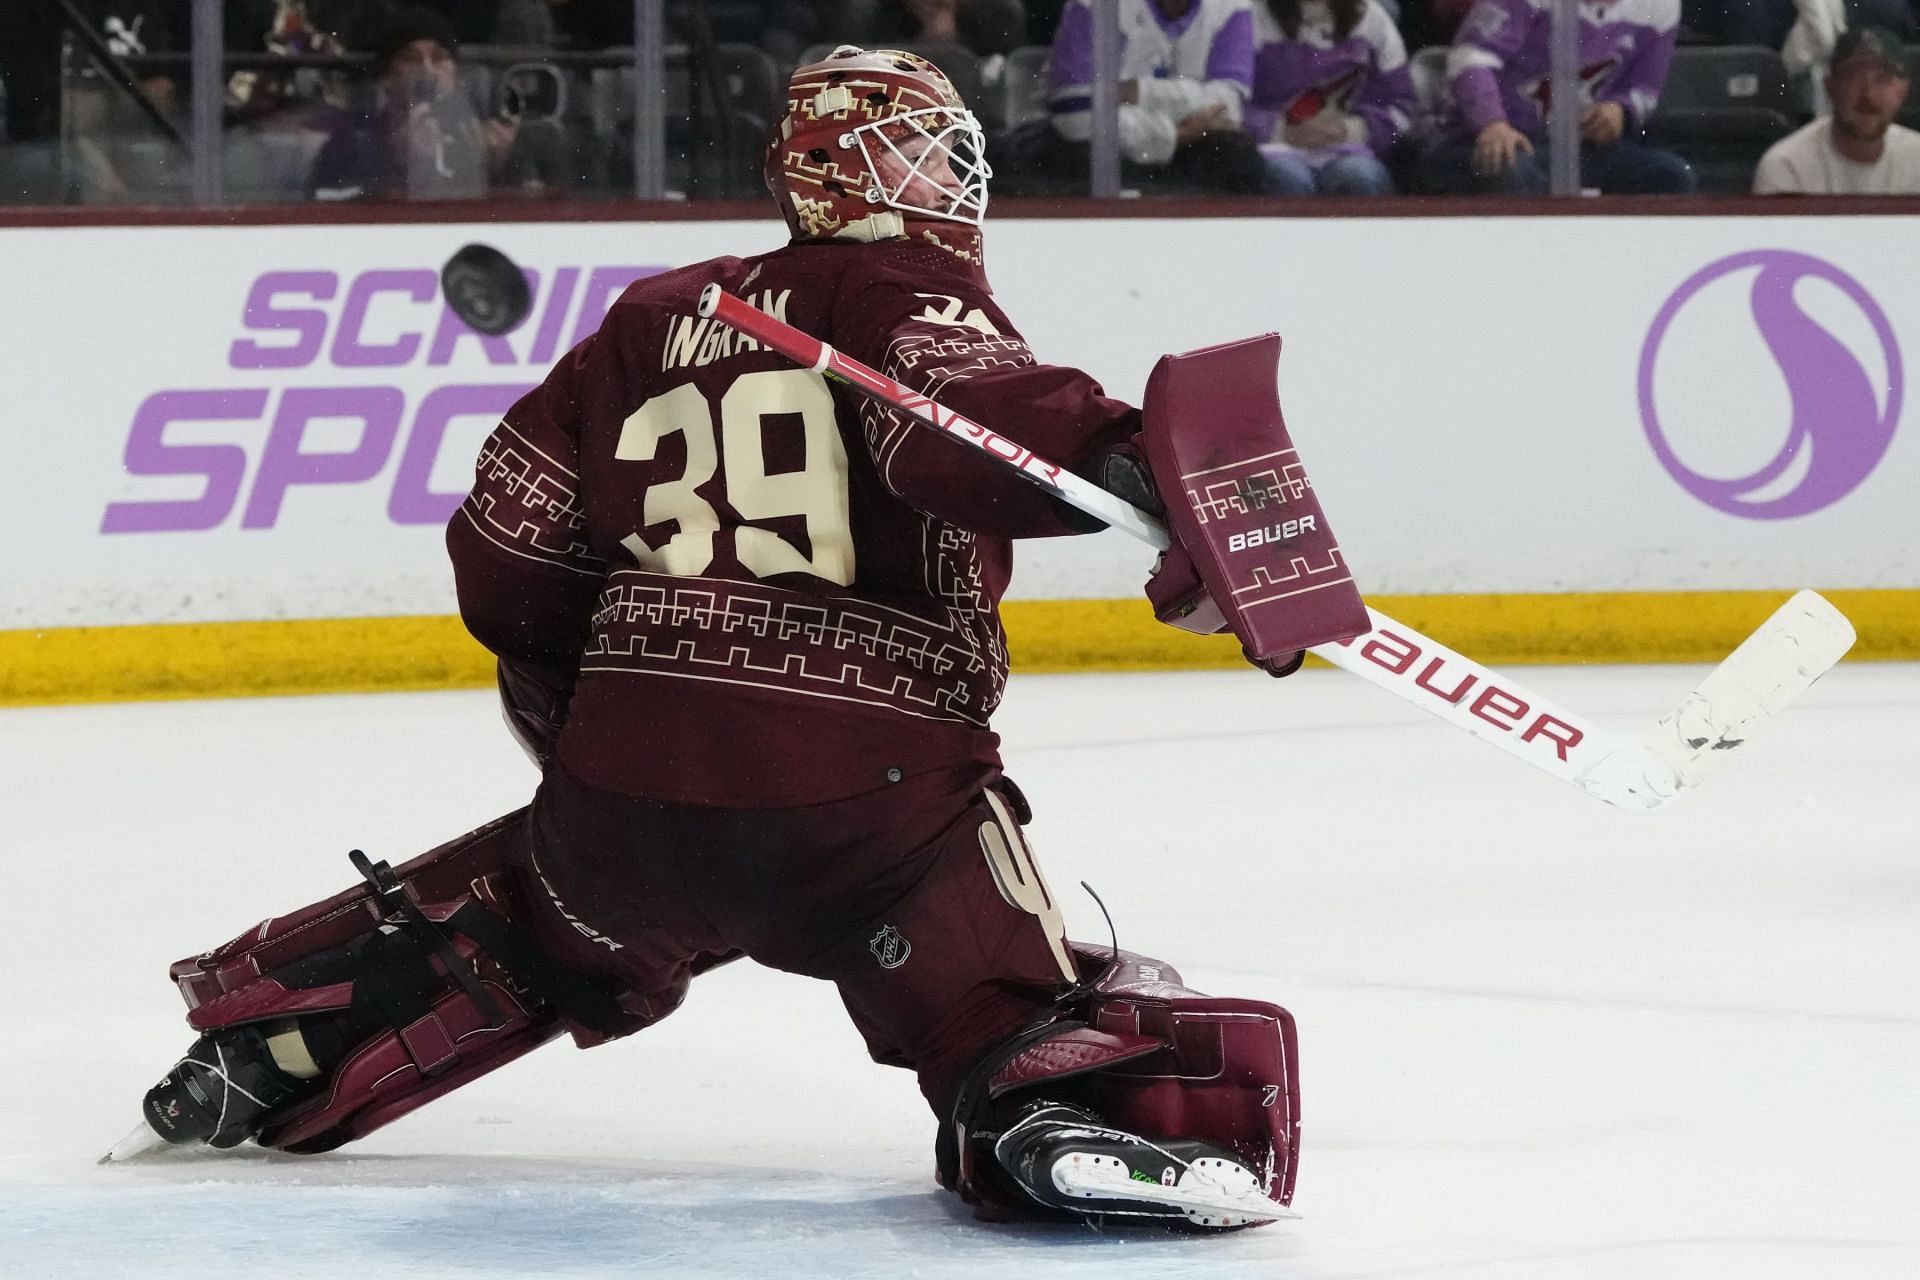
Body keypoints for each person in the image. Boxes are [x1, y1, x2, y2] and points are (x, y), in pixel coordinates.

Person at [110, 46, 1302, 1232]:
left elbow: (502, 551)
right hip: (865, 806)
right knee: (976, 988)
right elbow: (969, 422)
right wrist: (1132, 457)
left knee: (550, 911)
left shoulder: (649, 315)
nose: (953, 180)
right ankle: (1041, 1113)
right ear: (857, 167)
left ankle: (287, 1042)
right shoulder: (890, 288)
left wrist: (627, 708)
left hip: (622, 800)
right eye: (930, 152)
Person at [1417, 0, 1697, 195]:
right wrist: (1492, 122)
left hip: (1573, 148)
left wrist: (1620, 109)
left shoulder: (1661, 5)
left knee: (1669, 175)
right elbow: (1470, 58)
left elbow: (1645, 87)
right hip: (1476, 140)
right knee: (1512, 168)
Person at [308, 5, 563, 200]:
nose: (427, 70)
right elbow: (327, 205)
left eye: (439, 58)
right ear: (387, 78)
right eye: (411, 59)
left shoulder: (488, 137)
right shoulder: (353, 142)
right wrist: (397, 161)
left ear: (457, 75)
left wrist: (499, 165)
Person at [1028, 0, 1267, 194]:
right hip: (1118, 153)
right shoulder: (1093, 6)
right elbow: (1074, 113)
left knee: (1236, 155)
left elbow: (1227, 105)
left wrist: (1138, 91)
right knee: (1077, 157)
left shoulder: (1232, 6)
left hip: (1187, 149)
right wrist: (1174, 134)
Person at [1247, 0, 1417, 195]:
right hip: (1271, 146)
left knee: (1361, 177)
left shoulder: (1373, 18)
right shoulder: (1250, 15)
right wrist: (1279, 130)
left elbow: (1403, 107)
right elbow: (1230, 104)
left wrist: (1350, 130)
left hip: (1347, 148)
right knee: (1288, 178)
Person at [1756, 26, 1920, 193]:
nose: (1868, 94)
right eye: (1853, 78)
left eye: (1881, 80)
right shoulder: (1787, 166)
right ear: (1830, 87)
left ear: (1902, 90)